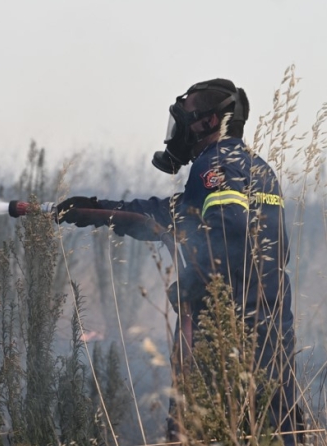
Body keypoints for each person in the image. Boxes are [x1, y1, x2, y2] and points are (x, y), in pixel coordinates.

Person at [55, 79, 300, 444]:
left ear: (209, 121)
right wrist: (93, 210)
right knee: (278, 432)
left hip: (221, 336)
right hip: (272, 333)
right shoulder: (257, 168)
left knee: (196, 432)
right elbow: (166, 215)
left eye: (184, 120)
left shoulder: (213, 166)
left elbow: (228, 230)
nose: (177, 133)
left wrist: (192, 288)